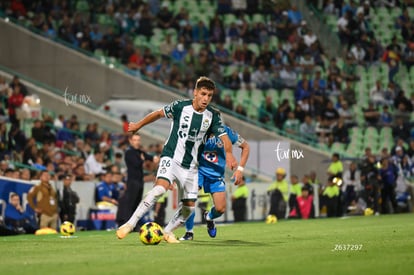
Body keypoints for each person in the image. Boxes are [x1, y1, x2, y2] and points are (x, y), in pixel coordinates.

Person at [116, 76, 238, 243]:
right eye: (203, 94)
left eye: (209, 96)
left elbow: (224, 138)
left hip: (192, 166)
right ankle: (129, 224)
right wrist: (138, 125)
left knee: (188, 208)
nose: (205, 99)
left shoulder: (213, 116)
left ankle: (167, 231)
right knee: (159, 190)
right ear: (195, 93)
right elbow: (158, 113)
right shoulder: (180, 106)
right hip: (171, 157)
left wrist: (229, 153)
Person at [180, 125, 250, 240]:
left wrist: (240, 170)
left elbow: (246, 147)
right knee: (189, 199)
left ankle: (209, 217)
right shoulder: (197, 129)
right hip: (198, 170)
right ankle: (189, 233)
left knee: (220, 209)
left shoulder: (227, 132)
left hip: (216, 174)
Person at [115, 133, 158, 227]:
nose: (137, 142)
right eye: (135, 140)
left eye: (138, 140)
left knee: (137, 202)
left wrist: (153, 158)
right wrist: (142, 160)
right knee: (130, 203)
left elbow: (147, 156)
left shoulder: (138, 151)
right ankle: (127, 223)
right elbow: (136, 163)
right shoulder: (129, 152)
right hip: (132, 181)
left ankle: (134, 224)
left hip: (139, 180)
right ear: (130, 141)